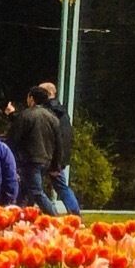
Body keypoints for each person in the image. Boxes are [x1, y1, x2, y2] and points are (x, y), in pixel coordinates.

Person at [7, 85, 67, 214]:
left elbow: (13, 139)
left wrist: (12, 160)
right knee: (25, 191)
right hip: (46, 159)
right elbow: (58, 143)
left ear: (31, 99)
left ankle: (53, 216)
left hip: (30, 159)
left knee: (36, 191)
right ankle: (21, 216)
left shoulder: (26, 115)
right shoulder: (52, 118)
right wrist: (56, 165)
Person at [36, 82, 82, 213]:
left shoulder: (48, 112)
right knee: (61, 187)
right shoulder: (62, 111)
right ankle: (75, 214)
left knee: (33, 187)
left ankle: (49, 213)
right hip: (57, 157)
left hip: (48, 156)